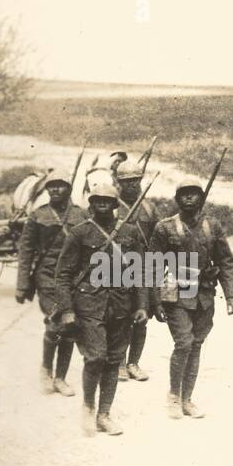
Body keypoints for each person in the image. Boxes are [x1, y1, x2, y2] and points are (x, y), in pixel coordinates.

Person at [53, 178, 149, 436]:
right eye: (98, 201)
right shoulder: (80, 233)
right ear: (92, 204)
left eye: (108, 201)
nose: (103, 205)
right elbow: (63, 275)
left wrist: (141, 305)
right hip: (89, 304)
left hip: (121, 305)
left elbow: (139, 272)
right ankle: (88, 406)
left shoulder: (129, 233)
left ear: (115, 204)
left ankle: (104, 414)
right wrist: (67, 310)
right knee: (95, 357)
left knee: (114, 360)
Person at [148, 182, 233, 419]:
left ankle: (187, 398)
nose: (188, 199)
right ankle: (174, 396)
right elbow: (154, 266)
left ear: (202, 198)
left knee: (196, 344)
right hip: (176, 293)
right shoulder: (164, 228)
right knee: (184, 343)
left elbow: (226, 261)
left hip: (204, 294)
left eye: (193, 195)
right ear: (177, 199)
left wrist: (231, 294)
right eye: (183, 195)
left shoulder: (212, 226)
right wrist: (155, 301)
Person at [15, 168, 88, 395]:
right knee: (57, 321)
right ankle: (46, 369)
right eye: (51, 186)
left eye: (60, 185)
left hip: (73, 279)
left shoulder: (82, 215)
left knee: (72, 325)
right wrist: (22, 284)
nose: (55, 189)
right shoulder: (38, 215)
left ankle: (61, 378)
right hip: (47, 277)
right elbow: (26, 251)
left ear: (69, 188)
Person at [116, 158, 160, 382]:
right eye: (127, 182)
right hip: (119, 267)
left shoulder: (149, 208)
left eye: (136, 181)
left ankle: (134, 362)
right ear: (119, 183)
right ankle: (120, 362)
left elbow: (157, 239)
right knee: (122, 316)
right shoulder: (112, 205)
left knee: (143, 316)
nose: (132, 186)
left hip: (144, 268)